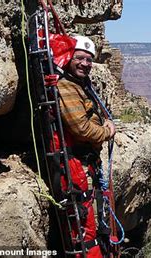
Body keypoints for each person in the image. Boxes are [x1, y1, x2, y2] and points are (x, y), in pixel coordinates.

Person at [55, 35, 116, 258]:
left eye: (89, 60)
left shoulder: (79, 84)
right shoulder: (66, 87)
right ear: (69, 58)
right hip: (76, 167)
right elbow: (80, 128)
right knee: (85, 224)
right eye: (79, 58)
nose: (85, 64)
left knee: (96, 218)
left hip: (86, 164)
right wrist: (107, 131)